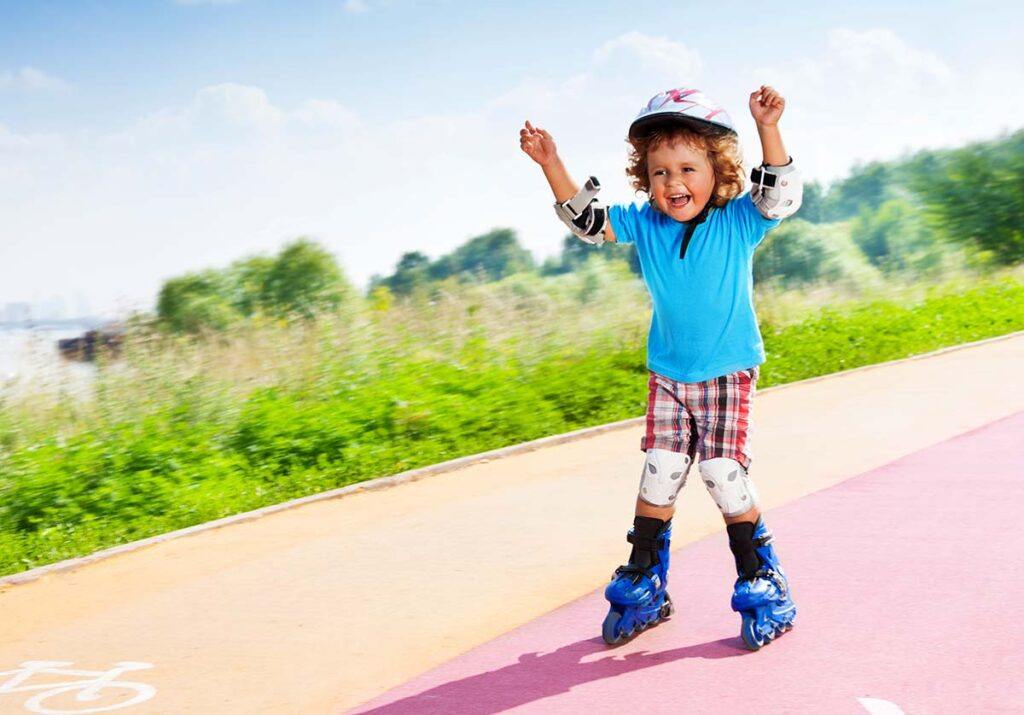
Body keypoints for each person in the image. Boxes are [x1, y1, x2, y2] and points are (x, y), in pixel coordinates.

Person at [519, 86, 802, 650]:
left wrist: (768, 128)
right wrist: (552, 165)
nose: (674, 184)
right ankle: (647, 576)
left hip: (727, 372)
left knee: (722, 474)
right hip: (669, 374)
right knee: (661, 469)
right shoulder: (645, 223)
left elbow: (780, 197)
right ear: (644, 178)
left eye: (688, 169)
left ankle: (762, 576)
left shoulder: (740, 220)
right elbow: (588, 223)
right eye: (659, 172)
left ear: (718, 171)